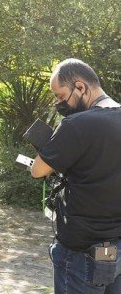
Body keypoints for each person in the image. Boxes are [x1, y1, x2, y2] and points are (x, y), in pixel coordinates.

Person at [31, 58, 121, 294]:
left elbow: (37, 170)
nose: (58, 104)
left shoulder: (76, 124)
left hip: (81, 251)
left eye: (61, 96)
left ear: (80, 87)